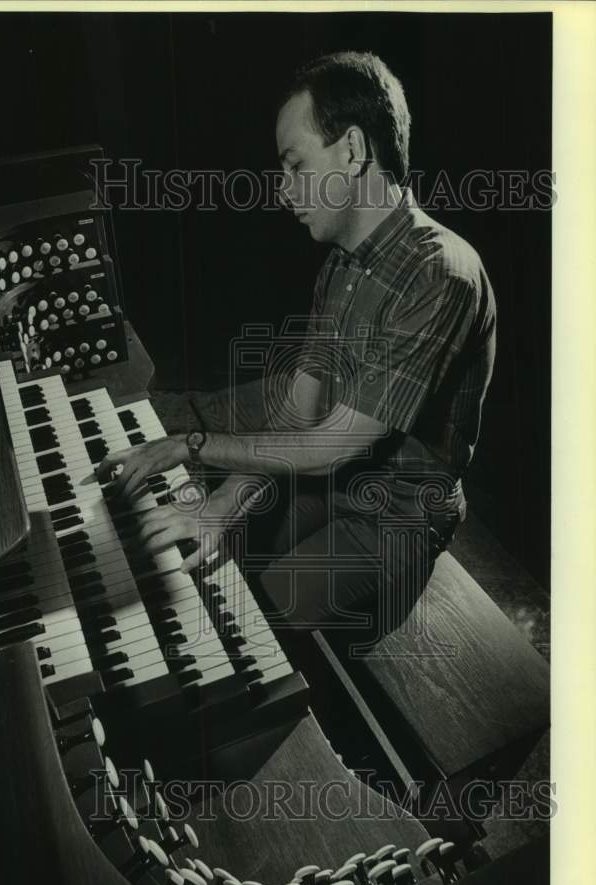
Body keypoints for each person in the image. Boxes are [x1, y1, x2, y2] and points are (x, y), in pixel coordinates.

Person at [89, 50, 496, 652]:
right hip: (337, 482)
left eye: (294, 164)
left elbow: (334, 444)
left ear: (353, 149)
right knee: (207, 558)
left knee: (258, 619)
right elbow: (300, 410)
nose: (283, 191)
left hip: (401, 513)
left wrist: (192, 444)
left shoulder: (442, 273)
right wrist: (222, 504)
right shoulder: (339, 266)